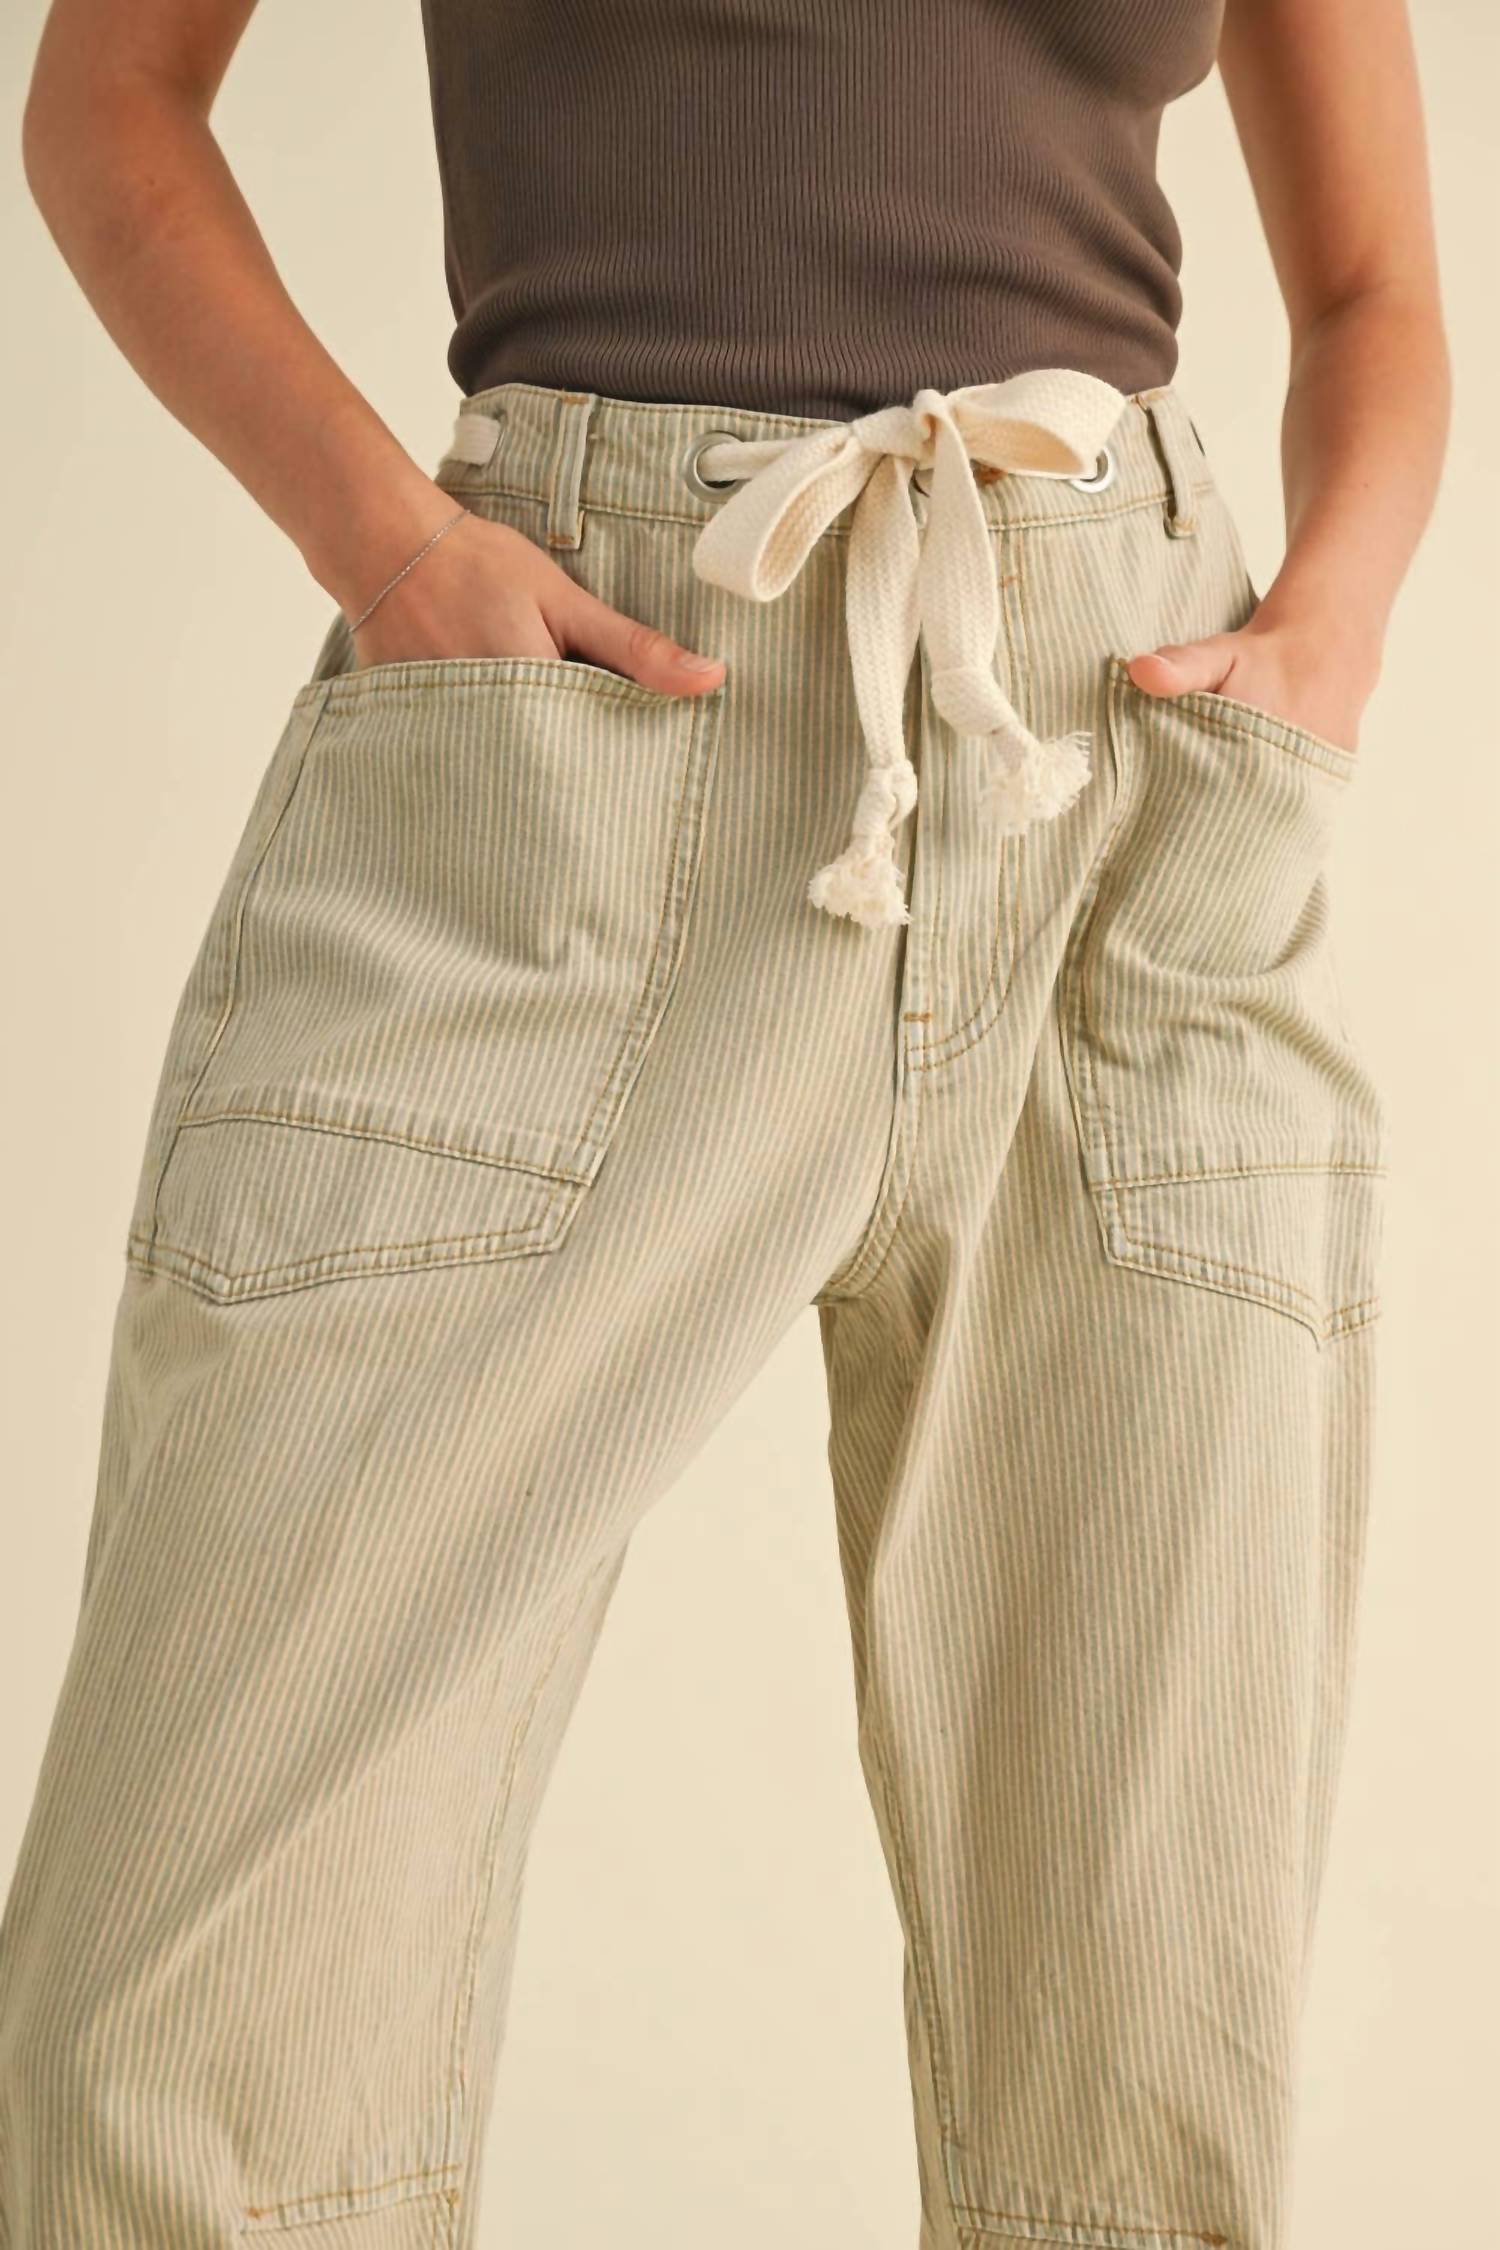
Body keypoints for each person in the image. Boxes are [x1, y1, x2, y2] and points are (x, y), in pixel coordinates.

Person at [0, 1, 1449, 2244]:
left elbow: (1373, 288)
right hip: (574, 737)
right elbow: (108, 103)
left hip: (1122, 777)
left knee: (1143, 2039)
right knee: (178, 2010)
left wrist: (1330, 619)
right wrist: (387, 547)